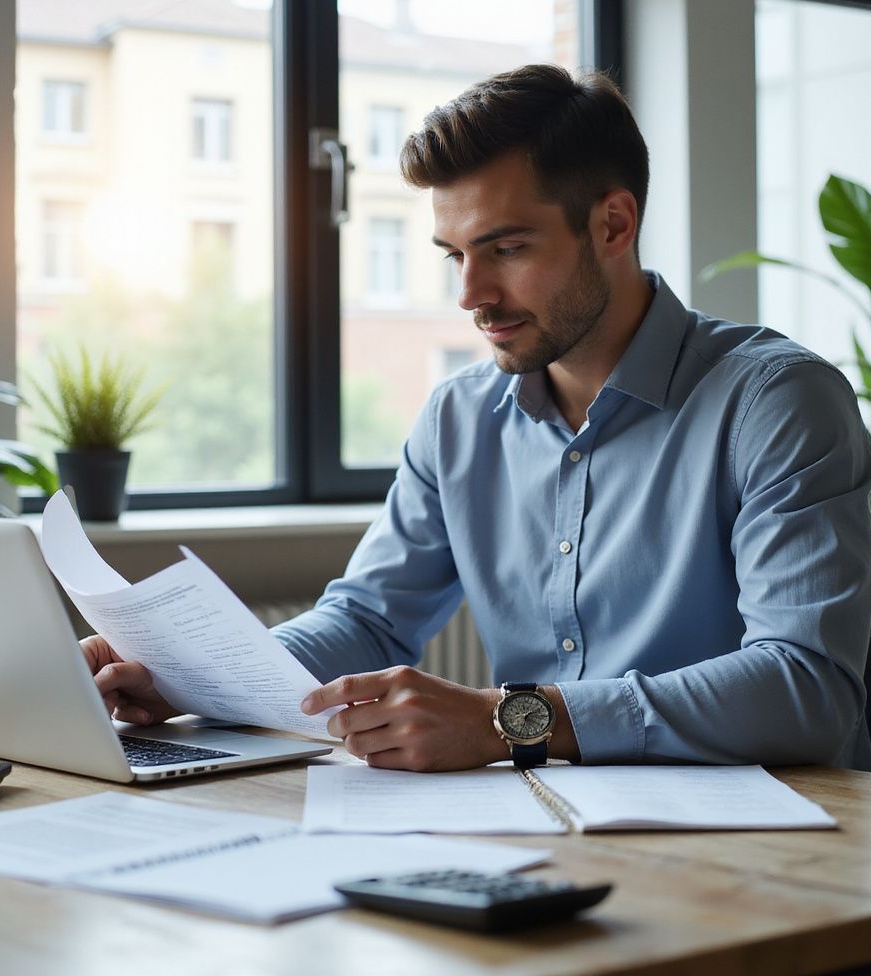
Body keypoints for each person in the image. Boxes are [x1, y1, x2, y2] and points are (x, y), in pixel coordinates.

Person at [82, 63, 871, 772]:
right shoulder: (458, 417)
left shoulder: (776, 402)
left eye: (507, 249)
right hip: (536, 829)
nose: (470, 294)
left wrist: (511, 723)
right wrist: (190, 679)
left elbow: (805, 686)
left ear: (614, 225)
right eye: (454, 254)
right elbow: (368, 619)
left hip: (765, 846)